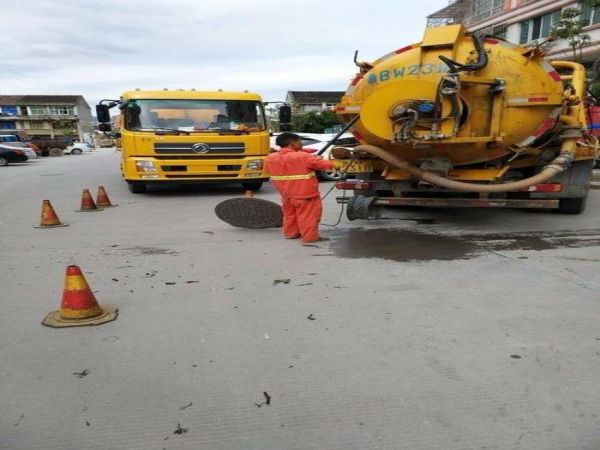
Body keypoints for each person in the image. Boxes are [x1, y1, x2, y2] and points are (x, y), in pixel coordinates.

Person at [266, 132, 334, 243]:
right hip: (305, 194)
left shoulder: (270, 158)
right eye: (299, 141)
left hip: (286, 194)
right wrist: (320, 160)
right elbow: (327, 165)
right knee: (308, 216)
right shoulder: (303, 157)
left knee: (290, 215)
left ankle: (291, 234)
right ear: (292, 143)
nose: (301, 143)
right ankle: (310, 238)